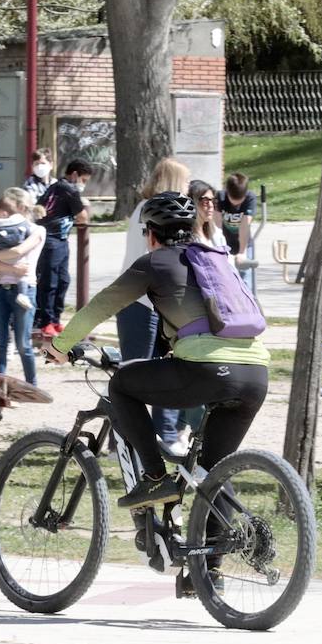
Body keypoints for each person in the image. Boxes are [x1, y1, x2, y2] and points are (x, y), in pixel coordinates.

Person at [48, 193, 269, 511]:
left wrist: (59, 346)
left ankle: (153, 478)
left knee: (122, 383)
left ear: (150, 234)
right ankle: (216, 554)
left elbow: (101, 306)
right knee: (212, 472)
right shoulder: (217, 260)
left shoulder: (154, 262)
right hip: (256, 374)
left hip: (208, 370)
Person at [116, 159, 192, 450]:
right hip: (140, 303)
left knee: (166, 374)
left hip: (157, 305)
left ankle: (166, 437)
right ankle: (124, 439)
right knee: (135, 375)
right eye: (185, 182)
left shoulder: (150, 210)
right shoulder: (152, 212)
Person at [34, 159, 93, 337]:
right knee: (50, 282)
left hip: (60, 239)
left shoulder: (57, 186)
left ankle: (55, 320)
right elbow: (82, 217)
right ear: (75, 174)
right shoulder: (68, 188)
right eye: (84, 179)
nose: (83, 184)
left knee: (63, 280)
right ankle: (45, 322)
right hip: (51, 239)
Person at [0, 189, 42, 385]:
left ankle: (32, 384)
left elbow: (19, 251)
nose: (4, 216)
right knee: (0, 343)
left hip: (25, 289)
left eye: (7, 211)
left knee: (23, 344)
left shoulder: (36, 230)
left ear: (20, 208)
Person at [188, 179, 228, 249]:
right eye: (205, 201)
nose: (211, 205)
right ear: (193, 203)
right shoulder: (184, 238)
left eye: (213, 201)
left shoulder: (216, 233)